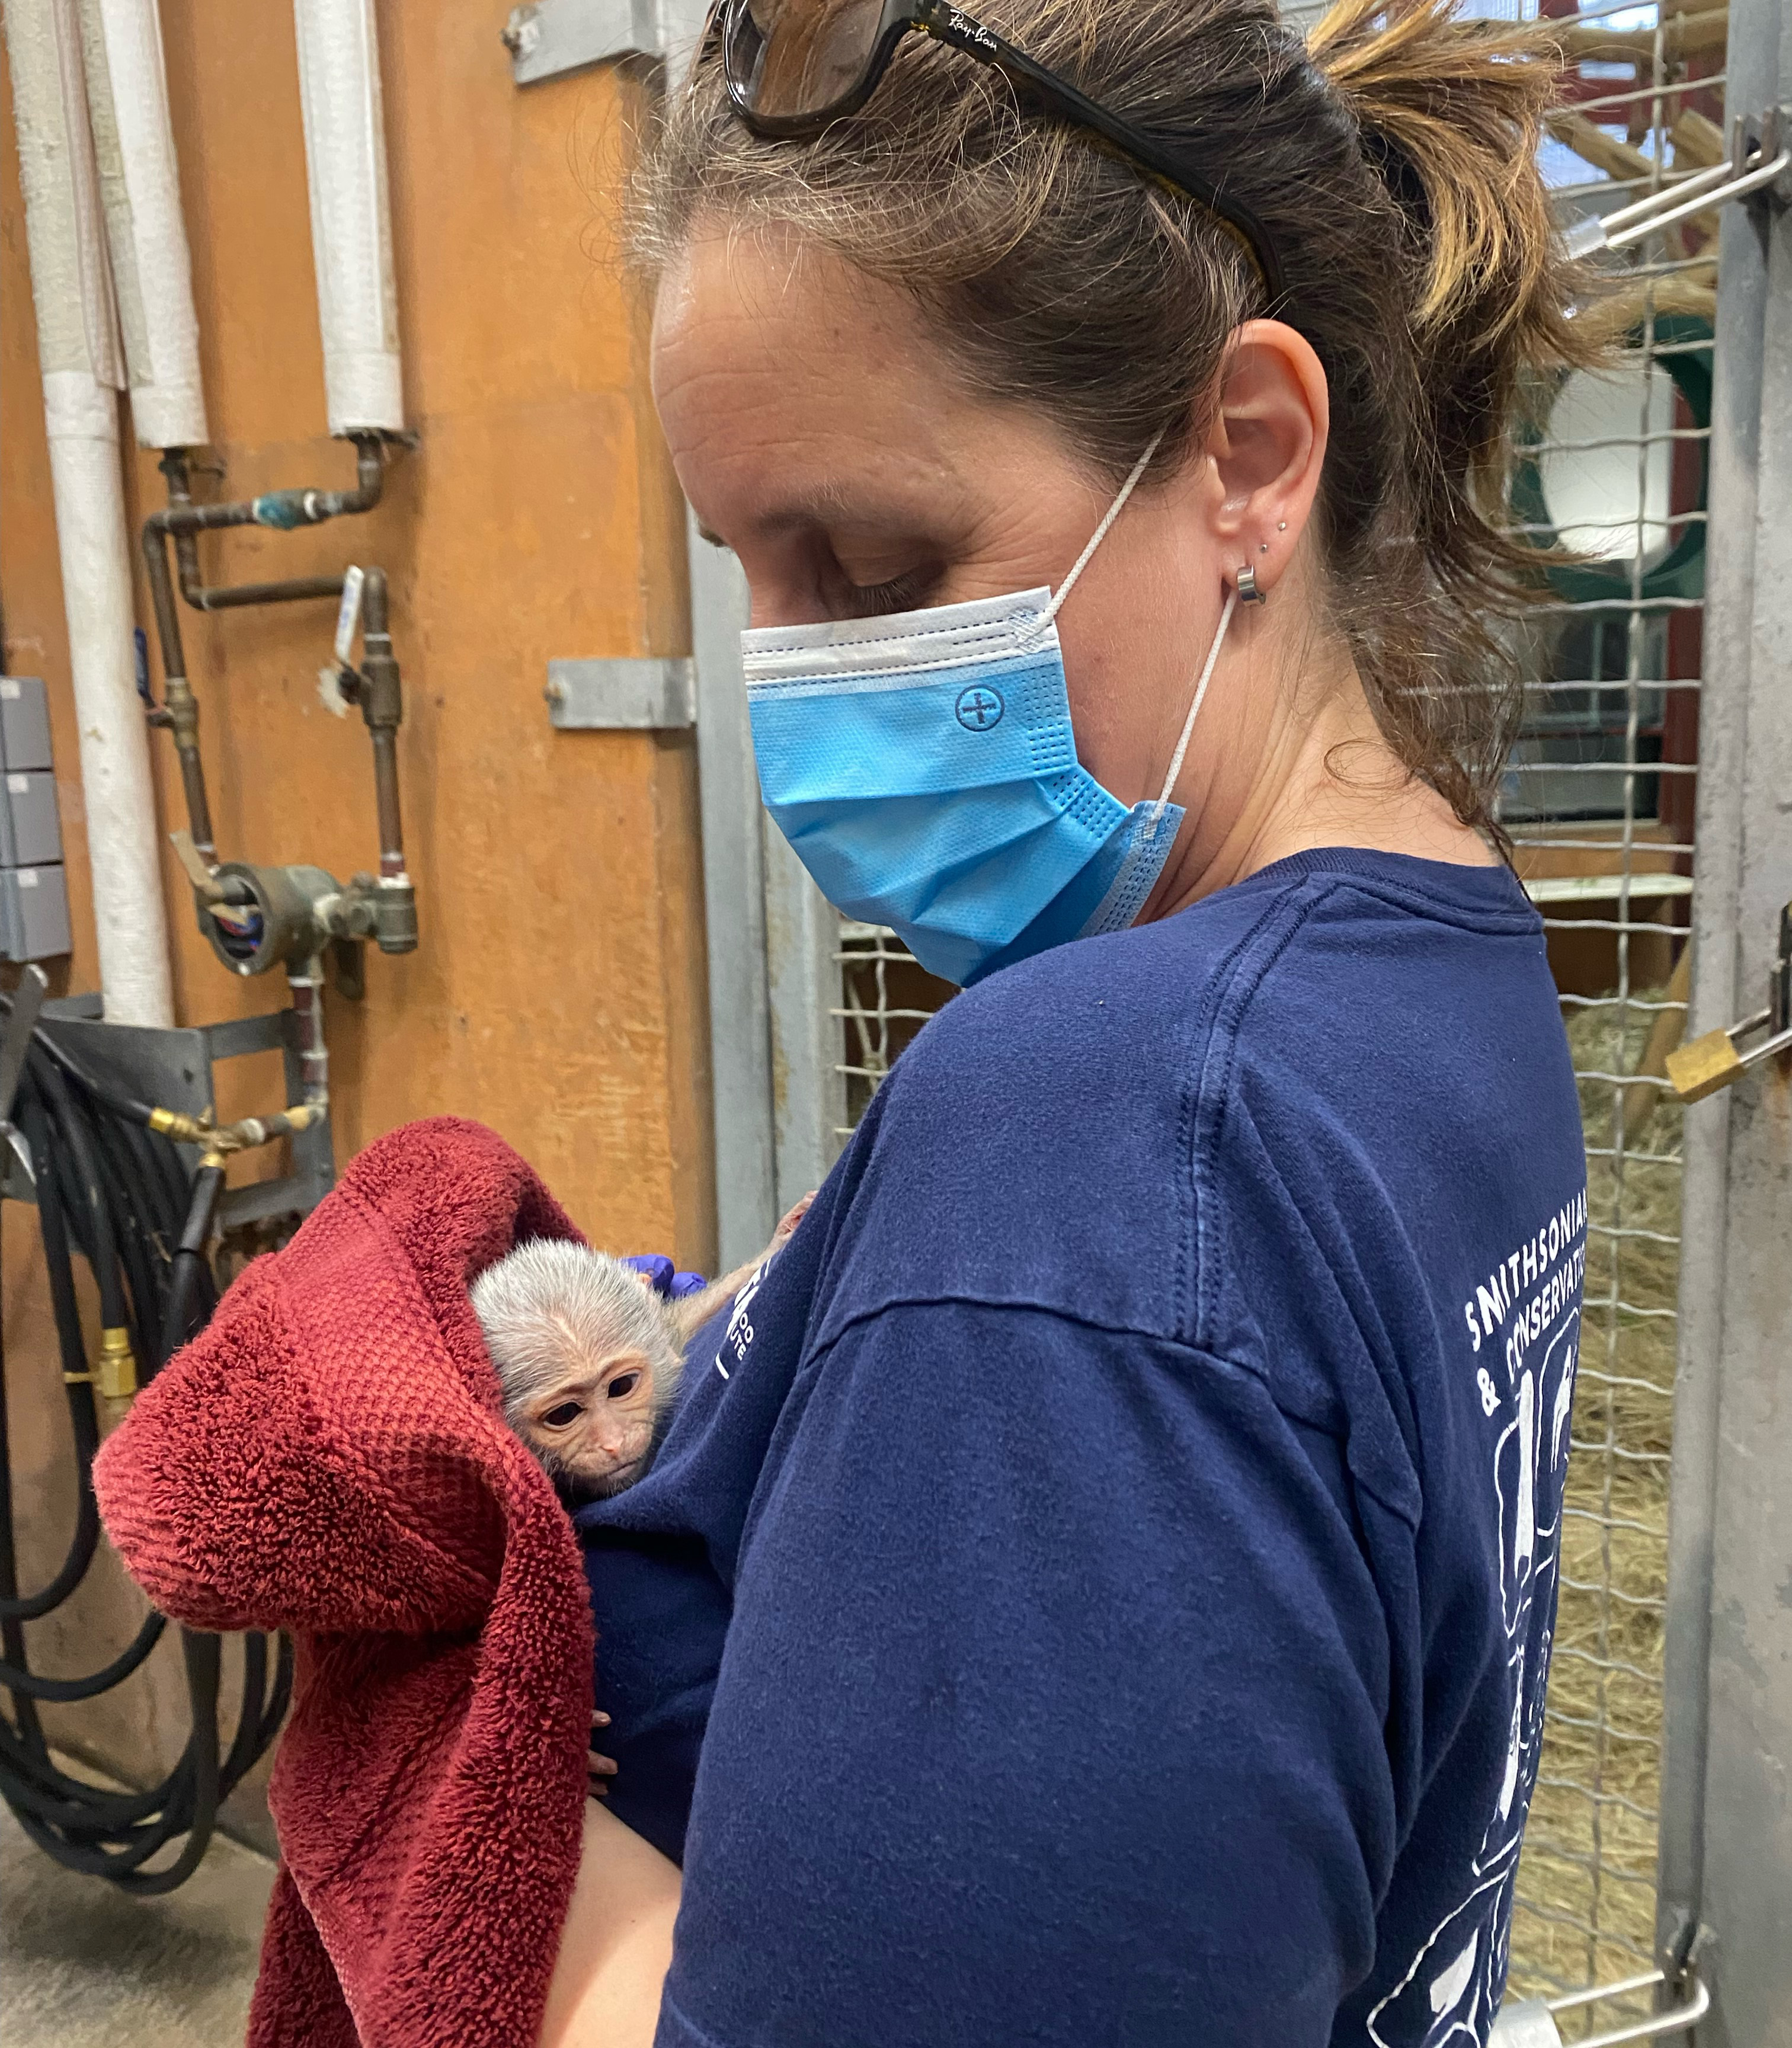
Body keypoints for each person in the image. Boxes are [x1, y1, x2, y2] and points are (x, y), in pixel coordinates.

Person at [543, 0, 1593, 2040]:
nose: (793, 686)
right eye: (747, 570)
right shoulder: (1438, 951)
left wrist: (429, 1753)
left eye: (872, 561)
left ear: (1248, 462)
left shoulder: (1109, 1127)